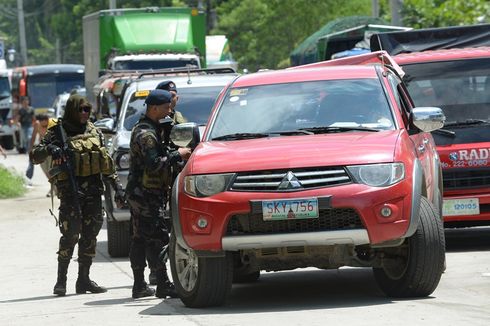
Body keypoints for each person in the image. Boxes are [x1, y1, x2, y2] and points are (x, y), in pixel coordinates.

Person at [30, 94, 126, 296]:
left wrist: (117, 187)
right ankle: (61, 281)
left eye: (87, 110)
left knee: (90, 236)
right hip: (71, 194)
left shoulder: (94, 131)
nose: (84, 113)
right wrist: (50, 148)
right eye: (80, 109)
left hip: (93, 192)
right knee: (70, 235)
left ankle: (83, 279)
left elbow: (105, 162)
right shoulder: (58, 131)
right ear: (72, 110)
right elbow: (35, 155)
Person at [126, 89, 191, 299]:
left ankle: (140, 285)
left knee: (140, 238)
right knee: (158, 238)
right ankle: (161, 283)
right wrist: (177, 155)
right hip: (146, 194)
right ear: (154, 108)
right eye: (166, 107)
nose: (170, 111)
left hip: (143, 193)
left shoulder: (151, 128)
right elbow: (155, 164)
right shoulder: (146, 134)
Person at [25, 114, 52, 187]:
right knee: (44, 169)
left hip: (51, 148)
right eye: (43, 126)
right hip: (42, 149)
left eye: (45, 126)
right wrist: (30, 148)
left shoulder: (51, 123)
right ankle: (53, 185)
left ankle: (54, 187)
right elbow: (33, 136)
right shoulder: (37, 124)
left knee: (51, 169)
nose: (44, 127)